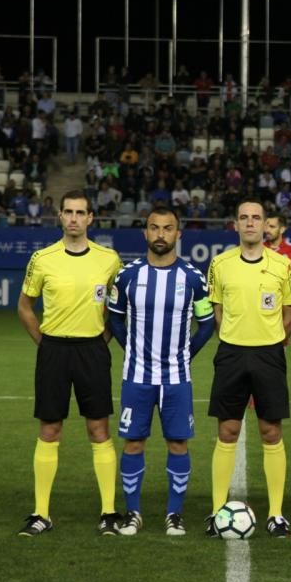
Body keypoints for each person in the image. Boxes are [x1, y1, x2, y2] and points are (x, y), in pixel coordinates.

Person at [16, 190, 123, 537]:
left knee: (99, 429)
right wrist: (44, 343)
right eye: (68, 212)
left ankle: (108, 512)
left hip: (92, 350)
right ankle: (41, 513)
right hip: (54, 352)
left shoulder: (109, 260)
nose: (74, 218)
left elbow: (118, 309)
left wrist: (101, 340)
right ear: (59, 216)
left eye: (81, 212)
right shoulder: (42, 259)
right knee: (50, 429)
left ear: (92, 218)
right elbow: (24, 306)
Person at [107, 206, 216, 536]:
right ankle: (133, 513)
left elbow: (207, 324)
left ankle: (174, 515)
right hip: (137, 378)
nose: (160, 234)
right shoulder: (127, 276)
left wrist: (184, 355)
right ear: (145, 232)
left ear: (178, 234)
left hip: (177, 380)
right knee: (133, 444)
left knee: (178, 444)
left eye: (168, 229)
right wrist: (133, 351)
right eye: (154, 228)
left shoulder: (194, 279)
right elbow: (114, 318)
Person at [205, 199, 291, 537]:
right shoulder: (220, 264)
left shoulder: (284, 266)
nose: (249, 223)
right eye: (243, 218)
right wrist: (234, 337)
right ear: (235, 225)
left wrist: (272, 339)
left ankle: (275, 514)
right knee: (227, 431)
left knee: (271, 432)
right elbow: (216, 311)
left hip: (268, 356)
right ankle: (217, 512)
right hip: (231, 354)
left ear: (265, 226)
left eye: (255, 218)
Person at [264, 212, 291, 281]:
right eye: (266, 226)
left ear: (282, 229)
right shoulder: (257, 248)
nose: (267, 230)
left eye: (272, 227)